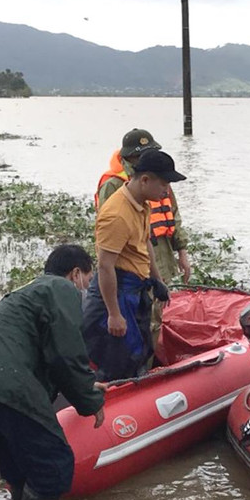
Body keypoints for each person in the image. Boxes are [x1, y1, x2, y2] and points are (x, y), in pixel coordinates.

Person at [0, 244, 105, 500]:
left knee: (16, 465)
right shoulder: (60, 289)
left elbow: (44, 357)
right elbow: (66, 354)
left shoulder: (29, 293)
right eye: (88, 281)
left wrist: (84, 385)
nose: (86, 289)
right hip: (4, 383)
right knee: (53, 464)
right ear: (76, 274)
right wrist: (91, 401)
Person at [82, 149, 183, 381]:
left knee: (140, 350)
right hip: (116, 292)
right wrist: (114, 314)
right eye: (164, 183)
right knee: (116, 357)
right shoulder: (117, 215)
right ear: (145, 180)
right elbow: (105, 267)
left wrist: (157, 280)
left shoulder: (142, 203)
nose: (167, 190)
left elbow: (145, 242)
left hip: (135, 287)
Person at [96, 128, 191, 351]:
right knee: (132, 335)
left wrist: (181, 252)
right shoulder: (117, 193)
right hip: (128, 275)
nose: (167, 191)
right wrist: (113, 313)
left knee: (155, 318)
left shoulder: (155, 188)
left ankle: (150, 362)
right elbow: (106, 259)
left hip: (157, 259)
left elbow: (171, 217)